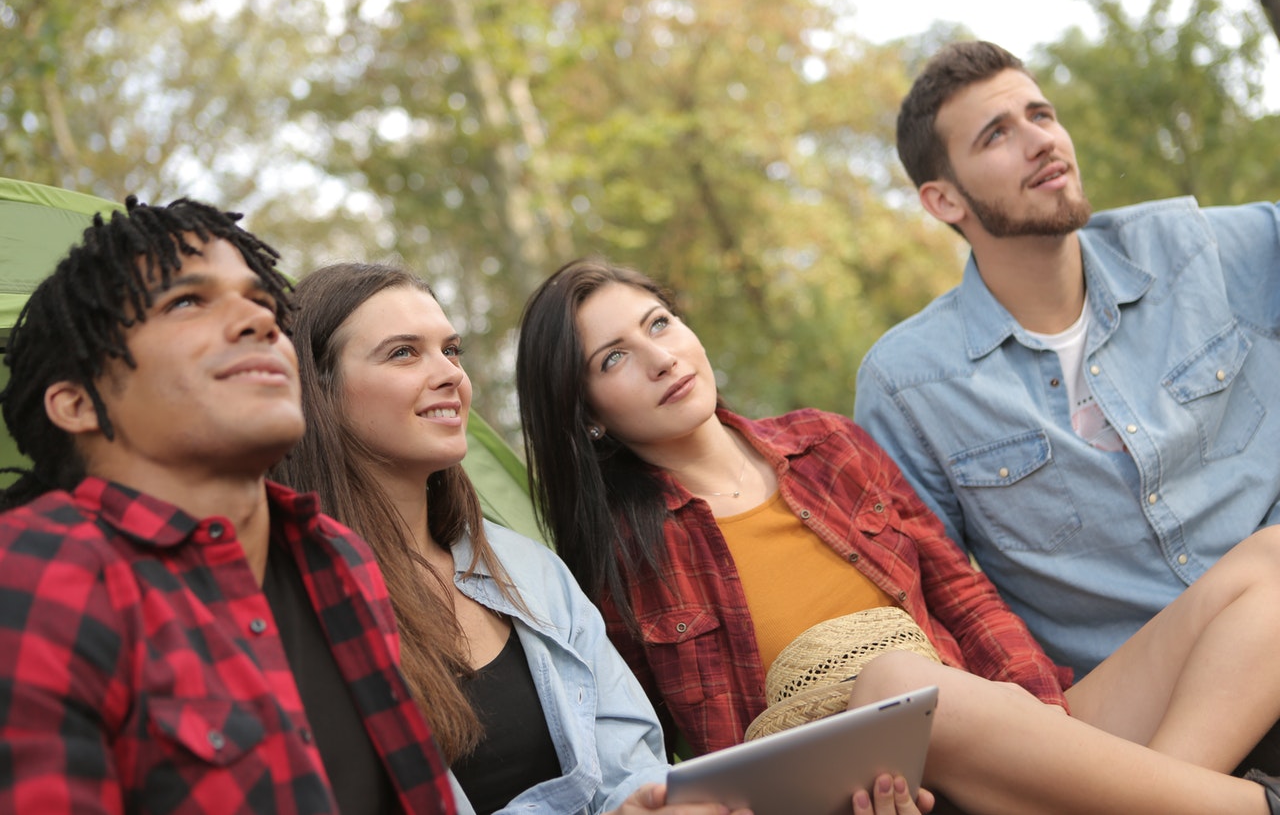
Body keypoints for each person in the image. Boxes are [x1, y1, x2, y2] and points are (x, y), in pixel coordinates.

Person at [515, 257, 1280, 815]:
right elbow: (640, 761)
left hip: (992, 725)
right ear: (586, 411)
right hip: (873, 793)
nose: (660, 358)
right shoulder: (615, 558)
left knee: (1269, 560)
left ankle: (1164, 800)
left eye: (659, 323)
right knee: (892, 682)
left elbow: (964, 595)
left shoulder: (826, 443)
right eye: (614, 358)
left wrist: (1042, 719)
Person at [0, 198, 455, 814]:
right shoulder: (34, 571)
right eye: (187, 301)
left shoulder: (339, 555)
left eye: (263, 302)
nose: (261, 322)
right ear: (77, 403)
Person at [852, 40, 1280, 679]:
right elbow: (926, 604)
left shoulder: (1198, 249)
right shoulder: (910, 386)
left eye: (1042, 115)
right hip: (1137, 700)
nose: (1040, 140)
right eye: (997, 134)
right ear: (944, 201)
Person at [270, 262, 763, 815]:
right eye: (404, 353)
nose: (450, 375)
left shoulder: (530, 572)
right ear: (318, 391)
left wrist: (641, 805)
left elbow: (629, 761)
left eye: (450, 351)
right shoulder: (293, 613)